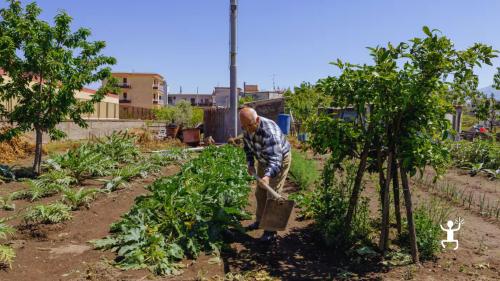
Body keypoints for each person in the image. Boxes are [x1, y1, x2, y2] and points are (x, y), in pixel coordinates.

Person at [239, 107, 291, 242]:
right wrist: (250, 164)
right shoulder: (246, 125)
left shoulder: (269, 132)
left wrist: (267, 177)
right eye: (244, 126)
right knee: (260, 192)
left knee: (271, 194)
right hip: (262, 159)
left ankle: (271, 230)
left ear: (257, 120)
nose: (247, 129)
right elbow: (247, 147)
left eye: (250, 125)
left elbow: (275, 160)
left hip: (279, 160)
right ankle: (260, 220)